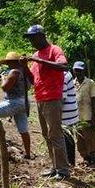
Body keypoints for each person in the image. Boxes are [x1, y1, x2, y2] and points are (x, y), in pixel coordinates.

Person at [23, 24, 70, 180]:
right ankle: (55, 166)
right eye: (29, 39)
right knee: (46, 134)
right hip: (40, 98)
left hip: (52, 98)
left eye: (33, 38)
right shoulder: (36, 55)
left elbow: (63, 66)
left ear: (42, 36)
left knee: (55, 134)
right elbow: (33, 80)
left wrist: (38, 59)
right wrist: (25, 67)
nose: (31, 42)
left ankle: (63, 170)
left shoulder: (54, 50)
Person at [0, 52, 32, 158]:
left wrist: (4, 78)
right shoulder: (24, 71)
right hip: (24, 101)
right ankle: (28, 154)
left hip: (14, 102)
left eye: (9, 63)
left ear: (11, 62)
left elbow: (5, 87)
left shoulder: (14, 72)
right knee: (23, 130)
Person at [73, 61, 95, 168]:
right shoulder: (72, 83)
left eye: (80, 70)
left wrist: (93, 119)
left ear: (83, 70)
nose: (78, 73)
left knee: (90, 140)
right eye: (76, 70)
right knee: (80, 142)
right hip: (76, 119)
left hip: (88, 117)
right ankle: (86, 159)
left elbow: (93, 102)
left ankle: (93, 160)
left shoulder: (89, 83)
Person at [61, 69, 79, 165]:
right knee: (68, 138)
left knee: (67, 139)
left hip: (66, 112)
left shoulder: (63, 75)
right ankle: (70, 162)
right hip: (70, 112)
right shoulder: (67, 73)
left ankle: (70, 163)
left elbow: (62, 98)